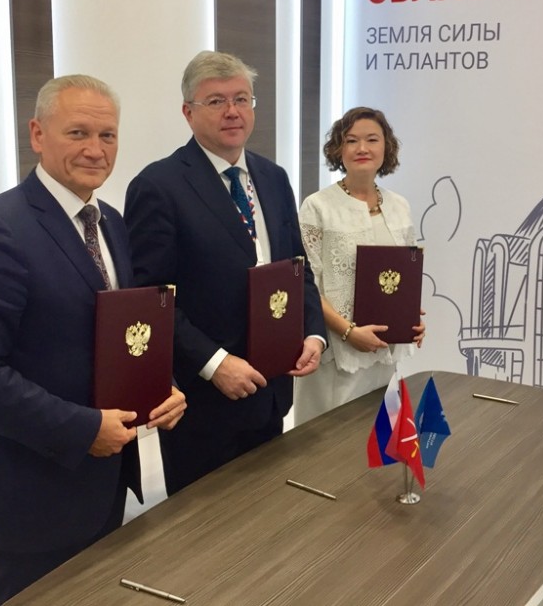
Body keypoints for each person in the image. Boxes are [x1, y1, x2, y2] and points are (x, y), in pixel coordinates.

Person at [0, 74, 187, 605]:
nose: (96, 149)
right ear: (37, 134)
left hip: (105, 478)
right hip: (35, 491)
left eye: (108, 135)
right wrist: (82, 429)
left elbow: (118, 334)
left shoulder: (110, 222)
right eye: (78, 133)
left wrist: (159, 385)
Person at [124, 50, 326, 495]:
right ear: (188, 112)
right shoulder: (158, 186)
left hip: (272, 389)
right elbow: (151, 299)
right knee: (206, 527)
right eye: (216, 101)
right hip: (205, 403)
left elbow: (297, 267)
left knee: (269, 512)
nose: (232, 111)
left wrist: (313, 331)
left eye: (241, 99)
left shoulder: (273, 177)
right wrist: (214, 364)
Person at [295, 107, 426, 424]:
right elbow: (305, 285)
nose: (362, 148)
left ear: (386, 147)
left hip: (383, 350)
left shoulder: (399, 205)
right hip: (335, 354)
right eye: (352, 140)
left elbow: (403, 278)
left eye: (372, 139)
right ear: (339, 149)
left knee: (376, 435)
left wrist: (412, 317)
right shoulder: (318, 206)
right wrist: (349, 331)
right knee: (331, 440)